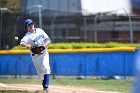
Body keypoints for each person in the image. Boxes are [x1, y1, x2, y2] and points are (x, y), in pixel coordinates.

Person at [20, 19, 51, 92]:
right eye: (29, 25)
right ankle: (43, 80)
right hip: (35, 56)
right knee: (41, 73)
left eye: (32, 24)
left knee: (46, 67)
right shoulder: (27, 36)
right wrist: (28, 46)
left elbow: (49, 40)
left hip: (44, 53)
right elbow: (21, 43)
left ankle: (46, 87)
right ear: (26, 27)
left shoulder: (40, 30)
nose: (31, 26)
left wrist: (43, 46)